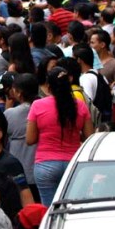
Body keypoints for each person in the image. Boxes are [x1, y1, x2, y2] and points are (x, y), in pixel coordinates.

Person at [27, 67, 94, 207]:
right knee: (74, 208)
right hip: (74, 164)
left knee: (49, 210)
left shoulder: (37, 106)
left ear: (49, 87)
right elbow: (90, 138)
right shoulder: (80, 106)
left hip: (45, 165)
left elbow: (30, 139)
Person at [4, 73, 39, 201]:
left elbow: (3, 129)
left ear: (18, 93)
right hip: (39, 169)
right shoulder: (43, 108)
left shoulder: (10, 113)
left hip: (19, 169)